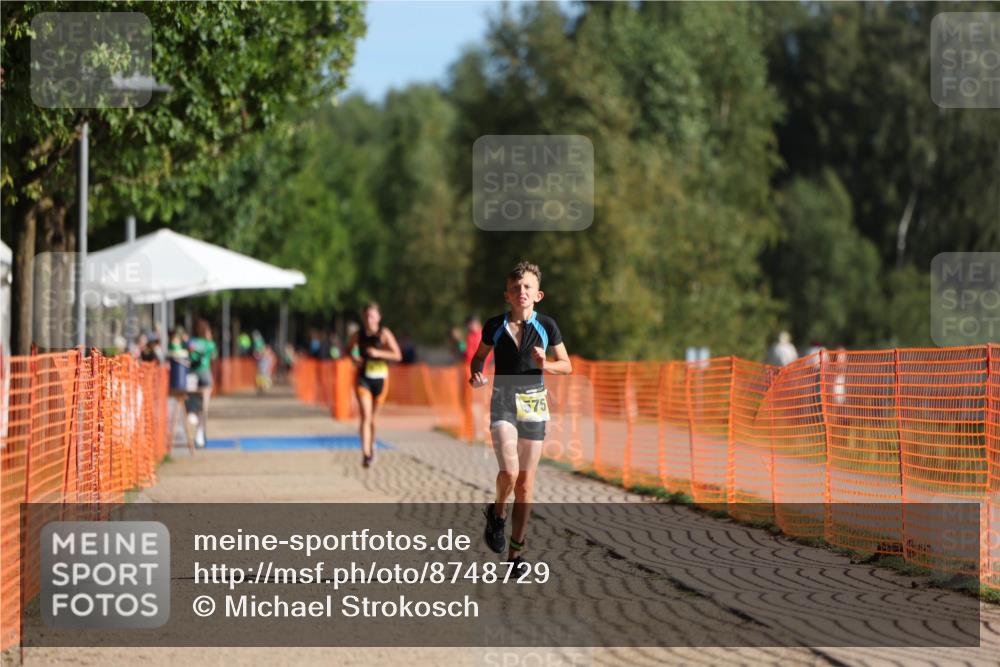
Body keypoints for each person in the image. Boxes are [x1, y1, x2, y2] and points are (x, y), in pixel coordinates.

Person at [468, 261, 572, 573]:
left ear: (537, 295)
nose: (521, 291)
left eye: (527, 287)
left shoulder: (547, 326)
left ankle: (516, 555)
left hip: (534, 404)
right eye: (515, 288)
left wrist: (547, 364)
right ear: (507, 295)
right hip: (502, 400)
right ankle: (497, 513)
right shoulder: (494, 326)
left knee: (526, 485)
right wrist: (476, 374)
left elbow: (566, 365)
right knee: (510, 473)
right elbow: (478, 357)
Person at [348, 303, 402, 468]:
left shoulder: (384, 334)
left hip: (380, 379)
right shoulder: (358, 334)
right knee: (365, 414)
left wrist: (379, 353)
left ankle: (372, 446)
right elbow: (349, 349)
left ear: (378, 317)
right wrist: (354, 358)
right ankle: (366, 453)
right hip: (363, 377)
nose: (369, 319)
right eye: (366, 316)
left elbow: (397, 355)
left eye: (372, 316)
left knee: (373, 419)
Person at [187, 319, 217, 448]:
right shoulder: (209, 344)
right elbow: (213, 356)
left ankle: (192, 413)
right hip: (205, 374)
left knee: (191, 399)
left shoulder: (190, 342)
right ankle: (200, 434)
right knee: (204, 406)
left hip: (192, 374)